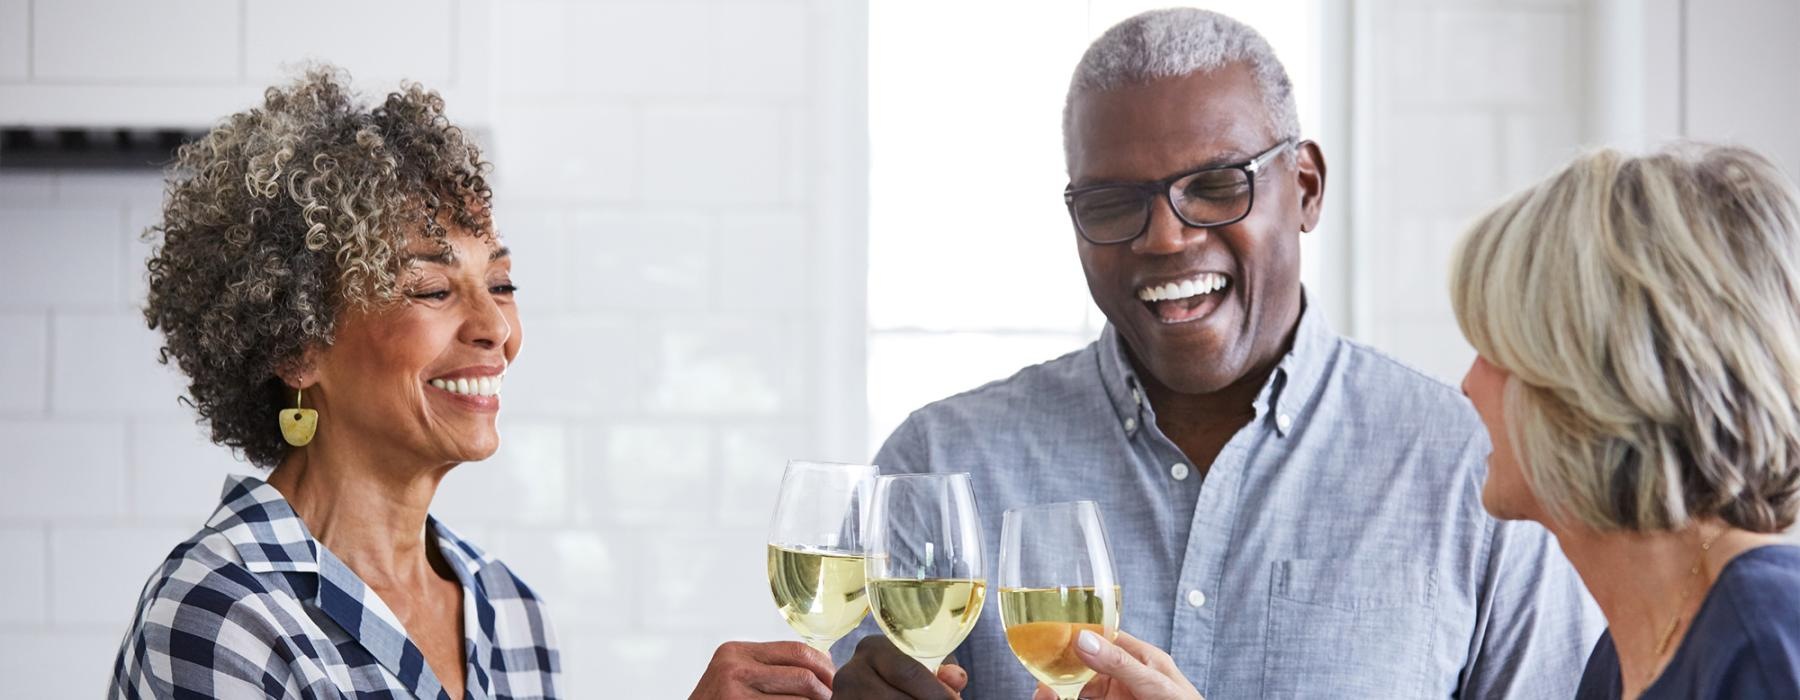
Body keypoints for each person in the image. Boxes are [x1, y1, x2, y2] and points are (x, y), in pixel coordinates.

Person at [833, 8, 1599, 698]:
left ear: (1305, 188)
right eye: (1113, 203)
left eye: (1215, 186)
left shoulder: (1475, 468)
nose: (1165, 237)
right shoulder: (939, 465)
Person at [108, 67, 833, 700]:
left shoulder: (510, 613)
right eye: (431, 289)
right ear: (296, 346)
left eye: (501, 281)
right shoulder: (225, 614)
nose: (496, 329)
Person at [1449, 144, 1800, 699]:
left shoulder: (1766, 636)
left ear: (1589, 379)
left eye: (1494, 351)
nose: (1468, 385)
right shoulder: (1619, 658)